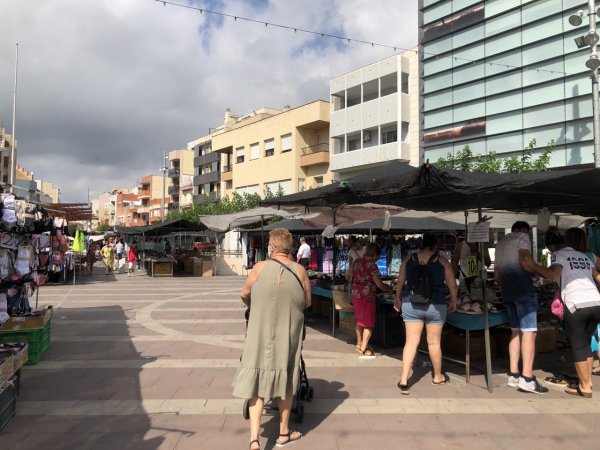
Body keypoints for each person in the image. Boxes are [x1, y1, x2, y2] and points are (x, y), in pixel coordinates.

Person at [232, 228, 311, 450]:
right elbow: (307, 303)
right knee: (285, 377)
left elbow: (244, 294)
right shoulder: (300, 271)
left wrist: (255, 307)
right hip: (288, 331)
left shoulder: (258, 268)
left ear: (271, 247)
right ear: (291, 248)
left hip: (259, 332)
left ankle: (255, 439)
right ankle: (283, 433)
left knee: (256, 381)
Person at [521, 227, 600, 398]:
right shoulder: (583, 256)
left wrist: (533, 265)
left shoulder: (559, 255)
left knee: (578, 346)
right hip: (596, 302)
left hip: (576, 304)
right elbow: (598, 277)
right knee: (585, 344)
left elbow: (552, 274)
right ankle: (587, 381)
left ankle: (585, 386)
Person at [393, 233, 457, 394]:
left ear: (421, 244)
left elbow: (400, 281)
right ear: (435, 246)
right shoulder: (442, 261)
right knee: (434, 343)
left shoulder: (409, 259)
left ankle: (403, 379)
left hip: (410, 304)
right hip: (435, 305)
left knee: (411, 342)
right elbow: (452, 285)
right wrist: (454, 301)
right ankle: (437, 376)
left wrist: (397, 298)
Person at [494, 221, 548, 394]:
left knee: (515, 331)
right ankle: (527, 378)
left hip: (507, 291)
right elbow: (525, 258)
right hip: (523, 290)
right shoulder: (523, 237)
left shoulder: (500, 243)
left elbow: (496, 276)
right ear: (523, 230)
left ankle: (514, 374)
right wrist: (538, 271)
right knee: (529, 332)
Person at [346, 242, 392, 359]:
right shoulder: (372, 265)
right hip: (367, 296)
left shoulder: (357, 261)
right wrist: (389, 289)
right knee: (368, 324)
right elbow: (379, 284)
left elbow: (347, 275)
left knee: (359, 321)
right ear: (375, 254)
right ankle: (363, 349)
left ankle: (359, 344)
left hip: (356, 293)